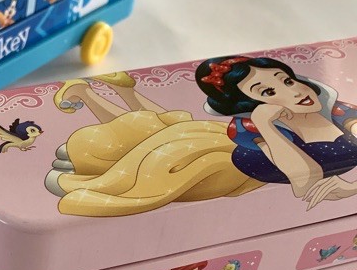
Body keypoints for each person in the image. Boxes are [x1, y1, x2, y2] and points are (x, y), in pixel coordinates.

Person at [45, 55, 357, 217]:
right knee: (155, 139)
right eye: (267, 92)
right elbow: (304, 179)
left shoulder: (341, 112)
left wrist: (350, 189)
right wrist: (265, 124)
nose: (295, 91)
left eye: (287, 80)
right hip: (222, 169)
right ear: (251, 105)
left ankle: (100, 93)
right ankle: (92, 93)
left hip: (213, 161)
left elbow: (307, 180)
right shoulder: (255, 127)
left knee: (158, 132)